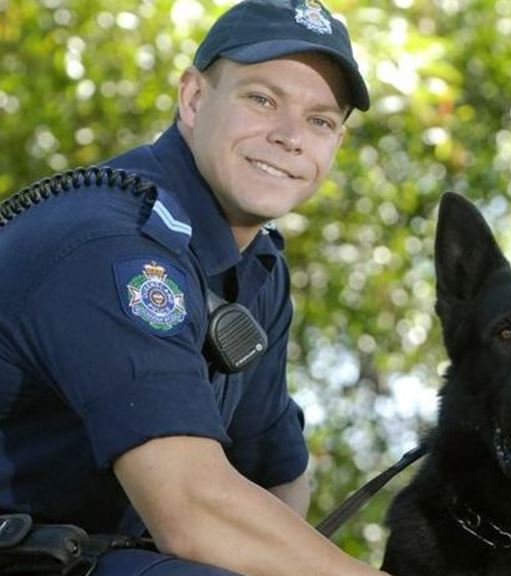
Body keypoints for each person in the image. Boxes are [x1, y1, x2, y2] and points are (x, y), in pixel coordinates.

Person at [0, 1, 390, 575]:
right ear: (194, 99)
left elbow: (274, 475)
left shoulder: (256, 267)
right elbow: (192, 509)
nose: (290, 137)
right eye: (262, 99)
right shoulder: (113, 243)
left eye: (320, 121)